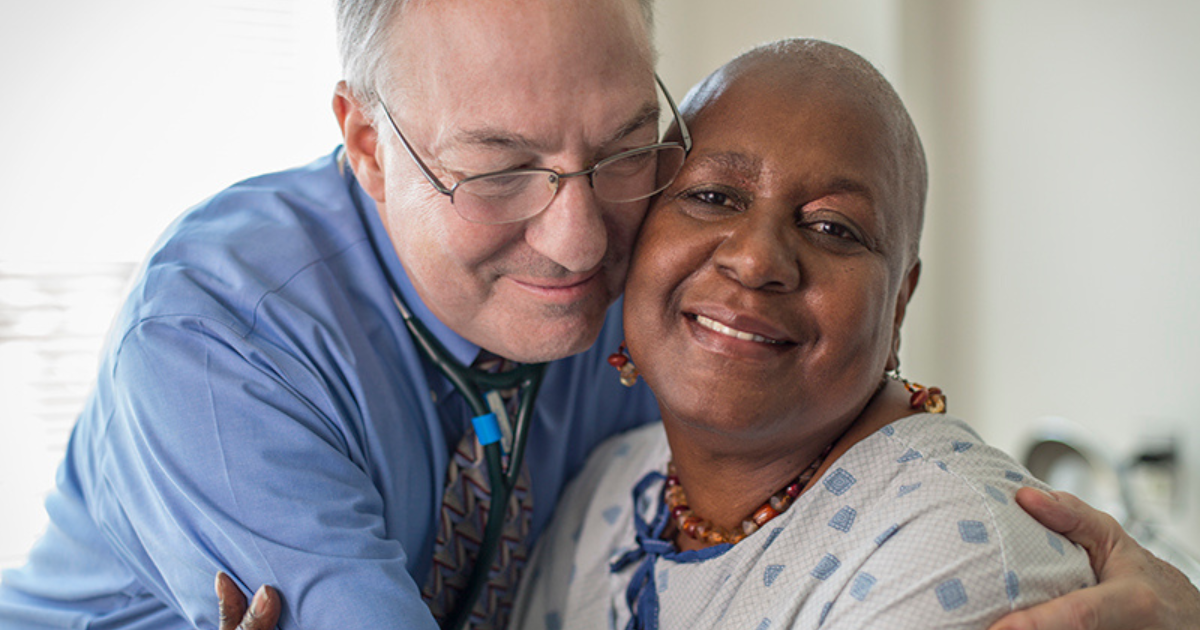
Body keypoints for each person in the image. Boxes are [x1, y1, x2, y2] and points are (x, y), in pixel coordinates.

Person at [1, 2, 1196, 630]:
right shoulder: (223, 342)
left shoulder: (643, 312)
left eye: (628, 149)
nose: (579, 245)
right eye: (500, 167)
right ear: (367, 142)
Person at [503, 38, 1096, 629]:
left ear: (898, 307)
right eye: (713, 196)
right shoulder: (612, 487)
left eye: (833, 228)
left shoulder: (953, 548)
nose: (757, 260)